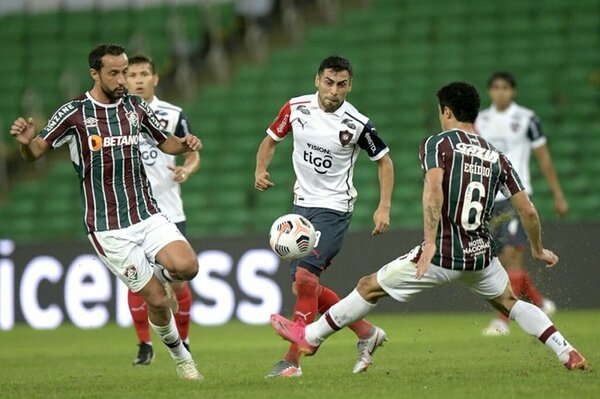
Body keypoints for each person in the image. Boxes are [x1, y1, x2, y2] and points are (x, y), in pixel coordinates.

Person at [270, 82, 587, 372]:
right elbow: (528, 211)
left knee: (369, 287)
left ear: (446, 111)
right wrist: (538, 249)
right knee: (509, 302)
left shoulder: (438, 144)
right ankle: (567, 351)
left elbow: (434, 189)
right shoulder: (496, 156)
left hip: (442, 252)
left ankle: (310, 337)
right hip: (481, 255)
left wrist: (432, 243)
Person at [9, 44, 204, 380]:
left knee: (188, 266)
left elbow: (165, 142)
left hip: (147, 213)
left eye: (125, 72)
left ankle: (157, 272)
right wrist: (26, 143)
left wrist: (186, 144)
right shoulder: (74, 113)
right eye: (114, 73)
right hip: (108, 227)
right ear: (95, 74)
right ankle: (182, 357)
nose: (122, 79)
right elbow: (36, 151)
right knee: (157, 301)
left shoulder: (136, 106)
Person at [255, 55, 394, 377]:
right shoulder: (295, 108)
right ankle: (366, 333)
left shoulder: (358, 123)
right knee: (305, 287)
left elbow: (385, 162)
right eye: (328, 83)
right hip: (302, 206)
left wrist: (383, 206)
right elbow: (270, 141)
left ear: (349, 86)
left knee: (304, 280)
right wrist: (261, 169)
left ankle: (293, 359)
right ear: (318, 80)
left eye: (341, 85)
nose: (334, 91)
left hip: (334, 208)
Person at [476, 71, 567, 336]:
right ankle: (539, 303)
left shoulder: (527, 119)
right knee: (500, 262)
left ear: (512, 91)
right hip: (489, 200)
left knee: (511, 257)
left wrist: (558, 195)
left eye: (505, 87)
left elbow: (544, 159)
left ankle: (502, 322)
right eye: (495, 88)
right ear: (490, 92)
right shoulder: (480, 120)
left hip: (516, 196)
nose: (500, 92)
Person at [125, 54, 201, 365]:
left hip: (170, 210)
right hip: (133, 212)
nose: (139, 80)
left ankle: (183, 339)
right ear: (124, 79)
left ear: (155, 79)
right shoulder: (115, 116)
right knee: (137, 278)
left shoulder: (173, 114)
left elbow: (194, 152)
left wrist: (187, 169)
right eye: (133, 75)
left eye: (144, 74)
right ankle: (144, 344)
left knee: (179, 283)